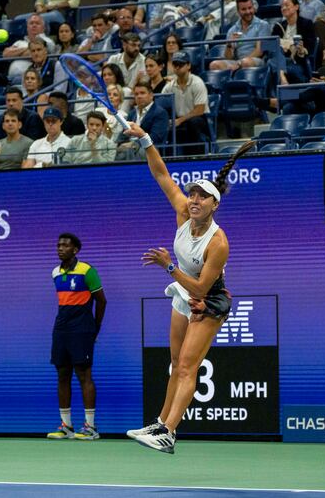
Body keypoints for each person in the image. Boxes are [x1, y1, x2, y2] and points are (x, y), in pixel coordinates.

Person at [122, 122, 253, 454]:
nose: (194, 200)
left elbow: (201, 288)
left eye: (202, 197)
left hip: (208, 300)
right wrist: (145, 139)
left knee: (186, 366)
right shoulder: (183, 213)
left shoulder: (218, 242)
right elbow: (162, 175)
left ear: (215, 204)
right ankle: (160, 422)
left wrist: (169, 266)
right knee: (174, 361)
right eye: (192, 194)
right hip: (184, 292)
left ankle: (169, 432)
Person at [46, 232, 107, 440]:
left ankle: (90, 428)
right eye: (58, 245)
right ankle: (66, 427)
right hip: (61, 330)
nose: (60, 248)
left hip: (82, 329)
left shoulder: (87, 271)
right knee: (62, 374)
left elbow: (101, 301)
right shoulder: (55, 273)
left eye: (65, 245)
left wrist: (95, 328)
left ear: (75, 250)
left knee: (84, 374)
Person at [162, 51, 210, 155]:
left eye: (181, 64)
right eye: (175, 64)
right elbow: (161, 106)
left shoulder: (197, 83)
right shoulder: (169, 87)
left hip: (198, 119)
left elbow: (200, 110)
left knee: (194, 123)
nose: (177, 67)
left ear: (188, 65)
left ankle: (196, 156)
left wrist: (180, 120)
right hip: (178, 119)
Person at [208, 0, 270, 71]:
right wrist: (229, 45)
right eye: (244, 9)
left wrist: (240, 63)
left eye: (250, 8)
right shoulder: (232, 30)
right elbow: (228, 58)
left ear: (253, 8)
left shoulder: (263, 25)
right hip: (237, 61)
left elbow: (259, 51)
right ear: (238, 11)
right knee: (214, 65)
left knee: (246, 62)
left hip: (256, 60)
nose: (248, 12)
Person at [118, 78, 169, 160]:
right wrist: (118, 144)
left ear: (151, 95)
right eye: (136, 94)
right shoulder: (132, 113)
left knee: (133, 151)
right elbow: (123, 133)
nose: (139, 96)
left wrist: (134, 144)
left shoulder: (160, 113)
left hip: (149, 147)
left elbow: (156, 137)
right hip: (130, 147)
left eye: (142, 93)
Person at [271, 0, 316, 86]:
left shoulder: (306, 24)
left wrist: (301, 50)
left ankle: (281, 77)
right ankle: (282, 77)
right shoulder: (278, 26)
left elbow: (310, 47)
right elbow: (271, 47)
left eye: (287, 5)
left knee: (271, 64)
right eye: (282, 6)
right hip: (281, 60)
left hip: (296, 62)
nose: (284, 8)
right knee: (275, 51)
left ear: (296, 7)